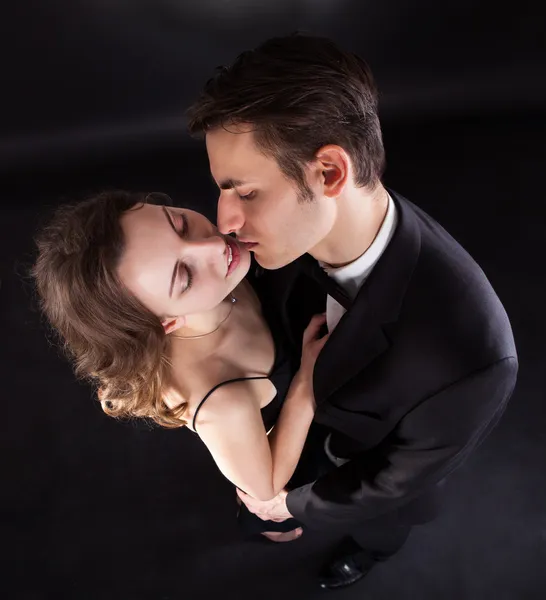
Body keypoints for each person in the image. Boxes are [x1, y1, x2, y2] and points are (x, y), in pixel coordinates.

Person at [187, 33, 519, 590]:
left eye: (245, 193)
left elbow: (391, 482)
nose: (225, 222)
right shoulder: (282, 241)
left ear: (330, 173)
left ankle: (365, 558)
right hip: (287, 431)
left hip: (358, 483)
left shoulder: (474, 360)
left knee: (380, 532)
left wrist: (290, 505)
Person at [31, 189, 328, 542]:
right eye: (185, 276)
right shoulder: (219, 399)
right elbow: (266, 486)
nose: (214, 246)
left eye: (180, 224)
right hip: (293, 452)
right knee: (277, 523)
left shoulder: (216, 266)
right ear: (167, 323)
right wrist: (307, 382)